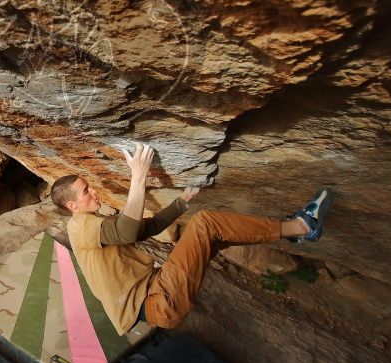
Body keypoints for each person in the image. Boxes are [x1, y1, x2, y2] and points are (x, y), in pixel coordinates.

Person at [51, 143, 334, 335]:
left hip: (160, 293)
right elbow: (128, 230)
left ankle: (296, 232)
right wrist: (138, 176)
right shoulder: (79, 226)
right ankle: (301, 226)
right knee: (206, 223)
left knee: (215, 236)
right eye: (86, 191)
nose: (94, 192)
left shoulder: (94, 224)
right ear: (72, 206)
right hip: (157, 299)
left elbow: (140, 230)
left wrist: (182, 202)